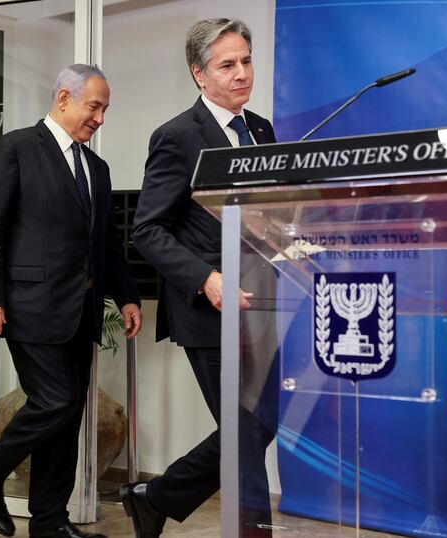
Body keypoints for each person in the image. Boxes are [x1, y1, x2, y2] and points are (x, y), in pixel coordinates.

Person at [0, 63, 142, 538]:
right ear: (64, 98)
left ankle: (48, 522)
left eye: (105, 109)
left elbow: (106, 241)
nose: (100, 118)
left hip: (80, 311)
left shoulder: (96, 168)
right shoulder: (17, 148)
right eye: (94, 106)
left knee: (66, 419)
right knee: (56, 401)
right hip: (27, 305)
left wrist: (125, 295)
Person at [122, 18, 277, 538]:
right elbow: (147, 228)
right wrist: (206, 277)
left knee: (258, 425)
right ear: (199, 74)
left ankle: (155, 495)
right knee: (243, 429)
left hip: (262, 305)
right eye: (226, 65)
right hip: (209, 308)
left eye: (246, 61)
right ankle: (253, 532)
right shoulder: (176, 137)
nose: (240, 74)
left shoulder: (261, 131)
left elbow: (263, 217)